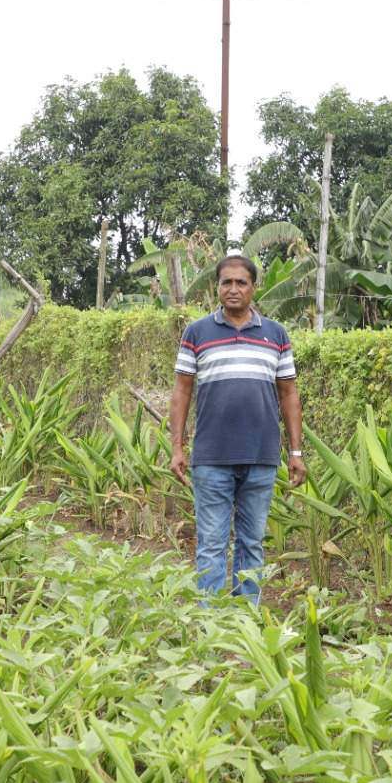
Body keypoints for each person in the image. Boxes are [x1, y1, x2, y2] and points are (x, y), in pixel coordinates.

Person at [169, 253, 306, 604]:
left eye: (240, 282)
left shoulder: (276, 334)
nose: (233, 289)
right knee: (212, 543)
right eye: (226, 282)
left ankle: (246, 621)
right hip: (211, 458)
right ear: (216, 287)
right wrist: (177, 447)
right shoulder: (197, 332)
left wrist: (295, 452)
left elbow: (289, 393)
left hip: (260, 458)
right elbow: (182, 390)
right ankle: (209, 624)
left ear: (253, 288)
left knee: (252, 542)